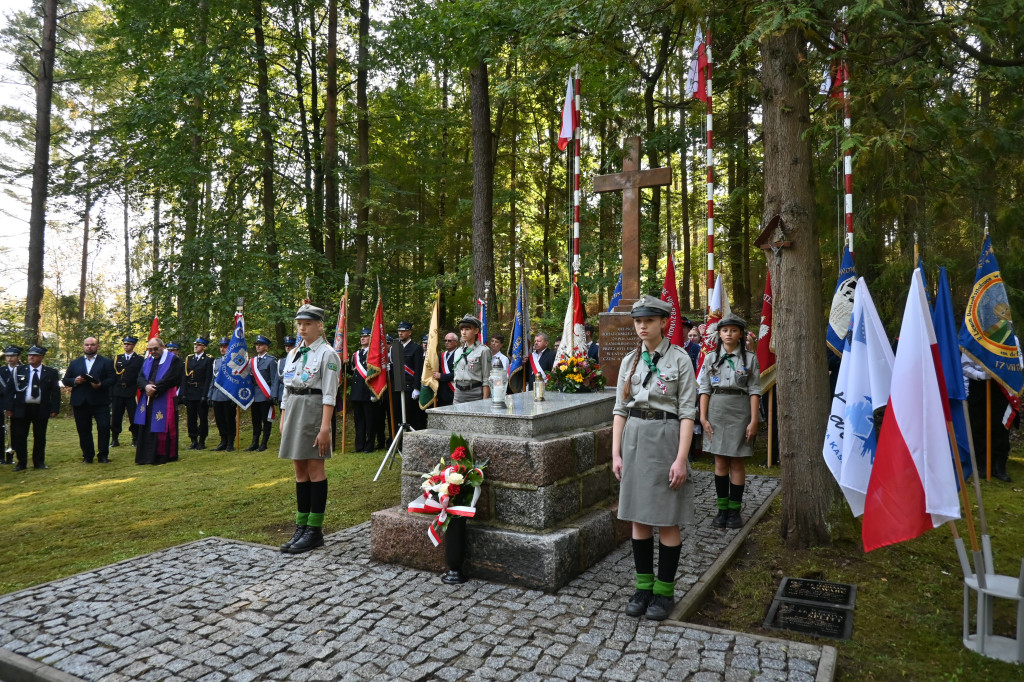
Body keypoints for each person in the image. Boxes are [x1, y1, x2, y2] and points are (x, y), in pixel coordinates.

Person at [611, 296, 697, 621]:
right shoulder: (629, 361)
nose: (642, 326)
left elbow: (688, 413)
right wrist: (616, 452)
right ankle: (643, 587)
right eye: (638, 321)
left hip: (665, 439)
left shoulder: (679, 360)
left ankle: (664, 591)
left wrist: (681, 459)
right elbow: (620, 409)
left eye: (649, 320)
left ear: (664, 323)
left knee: (666, 519)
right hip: (634, 439)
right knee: (638, 518)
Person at [278, 303, 341, 554]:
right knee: (298, 468)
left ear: (319, 325)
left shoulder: (327, 354)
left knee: (315, 466)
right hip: (294, 408)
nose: (302, 328)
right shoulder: (294, 352)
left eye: (307, 324)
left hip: (314, 410)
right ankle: (301, 525)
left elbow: (329, 393)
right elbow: (287, 385)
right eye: (299, 324)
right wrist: (283, 416)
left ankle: (314, 530)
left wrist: (325, 427)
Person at [699, 313, 761, 529]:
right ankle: (721, 509)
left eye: (734, 330)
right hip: (717, 409)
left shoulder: (750, 359)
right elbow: (705, 389)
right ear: (719, 333)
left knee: (737, 461)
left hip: (740, 410)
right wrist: (703, 417)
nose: (729, 334)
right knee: (720, 462)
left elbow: (754, 390)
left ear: (741, 334)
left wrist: (754, 421)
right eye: (725, 330)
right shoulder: (710, 358)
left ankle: (734, 511)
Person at [6, 345, 61, 471]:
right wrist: (9, 408)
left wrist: (54, 409)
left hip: (41, 408)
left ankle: (39, 462)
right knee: (19, 436)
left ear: (41, 357)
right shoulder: (19, 370)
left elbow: (55, 392)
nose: (31, 357)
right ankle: (21, 462)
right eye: (30, 354)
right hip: (21, 408)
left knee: (40, 436)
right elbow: (10, 391)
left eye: (35, 355)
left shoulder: (51, 372)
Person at [61, 337, 115, 464]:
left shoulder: (106, 362)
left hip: (100, 400)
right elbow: (65, 379)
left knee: (104, 427)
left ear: (98, 346)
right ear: (83, 346)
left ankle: (103, 455)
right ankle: (87, 456)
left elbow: (113, 379)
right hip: (80, 401)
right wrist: (75, 380)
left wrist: (101, 384)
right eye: (87, 345)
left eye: (92, 345)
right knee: (83, 429)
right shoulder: (75, 363)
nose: (89, 347)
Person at [134, 338, 184, 465]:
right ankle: (145, 456)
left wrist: (155, 388)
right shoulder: (147, 361)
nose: (153, 352)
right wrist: (145, 387)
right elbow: (140, 377)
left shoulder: (173, 360)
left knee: (162, 426)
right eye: (150, 350)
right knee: (147, 425)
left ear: (163, 346)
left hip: (164, 396)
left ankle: (162, 455)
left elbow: (172, 378)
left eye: (156, 349)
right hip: (148, 397)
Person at [963, 353, 1012, 482]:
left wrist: (1002, 371)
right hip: (978, 385)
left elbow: (1018, 363)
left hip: (1002, 385)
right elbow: (965, 366)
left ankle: (999, 466)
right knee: (978, 425)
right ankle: (982, 465)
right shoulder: (973, 338)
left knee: (1001, 426)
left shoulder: (1010, 339)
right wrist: (981, 375)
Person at [110, 336, 144, 448]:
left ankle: (136, 438)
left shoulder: (139, 359)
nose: (126, 346)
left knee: (134, 416)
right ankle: (115, 438)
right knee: (116, 416)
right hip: (118, 391)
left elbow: (141, 375)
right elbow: (113, 375)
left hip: (131, 390)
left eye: (128, 344)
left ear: (133, 345)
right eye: (124, 344)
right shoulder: (117, 358)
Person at [181, 337, 214, 450]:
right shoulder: (189, 358)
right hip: (190, 392)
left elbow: (208, 378)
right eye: (195, 344)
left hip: (200, 391)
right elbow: (184, 377)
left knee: (203, 418)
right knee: (191, 418)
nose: (196, 346)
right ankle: (193, 439)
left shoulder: (208, 359)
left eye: (199, 345)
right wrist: (183, 393)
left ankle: (202, 440)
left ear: (204, 347)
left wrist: (205, 395)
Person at [392, 321, 425, 430]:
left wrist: (416, 388)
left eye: (403, 331)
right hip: (397, 387)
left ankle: (411, 442)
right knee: (398, 417)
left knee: (410, 417)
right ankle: (399, 443)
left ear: (409, 332)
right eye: (399, 331)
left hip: (410, 388)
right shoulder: (395, 347)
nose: (400, 333)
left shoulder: (416, 348)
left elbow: (418, 369)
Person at [452, 315, 491, 404]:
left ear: (476, 331)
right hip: (458, 394)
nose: (463, 332)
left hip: (475, 393)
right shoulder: (458, 351)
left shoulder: (484, 350)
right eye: (462, 329)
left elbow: (487, 379)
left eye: (467, 329)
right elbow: (455, 375)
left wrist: (485, 402)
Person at [248, 335, 277, 451]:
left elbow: (275, 379)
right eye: (257, 344)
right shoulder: (252, 361)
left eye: (260, 344)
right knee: (255, 420)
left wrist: (273, 395)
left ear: (266, 347)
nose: (258, 346)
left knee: (266, 420)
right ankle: (254, 442)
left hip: (265, 394)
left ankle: (264, 443)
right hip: (254, 395)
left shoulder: (271, 360)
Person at [350, 328, 375, 452]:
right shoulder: (356, 354)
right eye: (361, 336)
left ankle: (369, 446)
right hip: (357, 392)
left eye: (366, 336)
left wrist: (373, 392)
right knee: (359, 421)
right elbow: (351, 370)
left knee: (369, 421)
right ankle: (359, 446)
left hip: (368, 391)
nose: (362, 338)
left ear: (371, 338)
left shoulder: (373, 354)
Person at [209, 337, 236, 451]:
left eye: (225, 347)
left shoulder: (234, 361)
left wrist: (235, 397)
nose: (222, 349)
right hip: (217, 395)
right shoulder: (217, 361)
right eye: (221, 347)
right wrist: (209, 394)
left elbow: (236, 380)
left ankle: (230, 442)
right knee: (219, 420)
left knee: (229, 419)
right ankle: (223, 440)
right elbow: (212, 379)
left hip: (228, 395)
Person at [0, 346, 21, 464]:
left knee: (15, 431)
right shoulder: (1, 371)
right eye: (7, 356)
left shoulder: (23, 370)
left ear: (18, 357)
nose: (10, 358)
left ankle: (11, 456)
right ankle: (1, 457)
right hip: (2, 404)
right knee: (1, 432)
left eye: (12, 356)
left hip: (18, 405)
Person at [433, 331, 458, 407]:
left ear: (456, 342)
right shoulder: (442, 356)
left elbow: (457, 373)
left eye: (449, 341)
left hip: (453, 392)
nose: (447, 342)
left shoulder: (459, 354)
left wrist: (442, 376)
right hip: (441, 393)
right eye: (445, 340)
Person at [274, 336, 297, 406]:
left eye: (290, 345)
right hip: (282, 392)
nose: (287, 347)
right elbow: (277, 379)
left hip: (294, 392)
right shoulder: (281, 361)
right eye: (286, 346)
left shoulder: (299, 360)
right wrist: (274, 394)